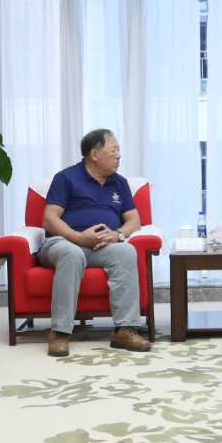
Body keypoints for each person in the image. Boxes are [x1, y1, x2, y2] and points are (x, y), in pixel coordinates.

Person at [37, 129, 153, 358]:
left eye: (119, 150)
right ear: (94, 154)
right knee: (72, 254)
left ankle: (125, 329)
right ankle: (60, 332)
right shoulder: (66, 178)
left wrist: (117, 235)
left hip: (102, 247)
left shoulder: (119, 183)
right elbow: (49, 219)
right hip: (64, 243)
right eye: (114, 150)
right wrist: (79, 238)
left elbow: (134, 221)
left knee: (126, 251)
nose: (119, 155)